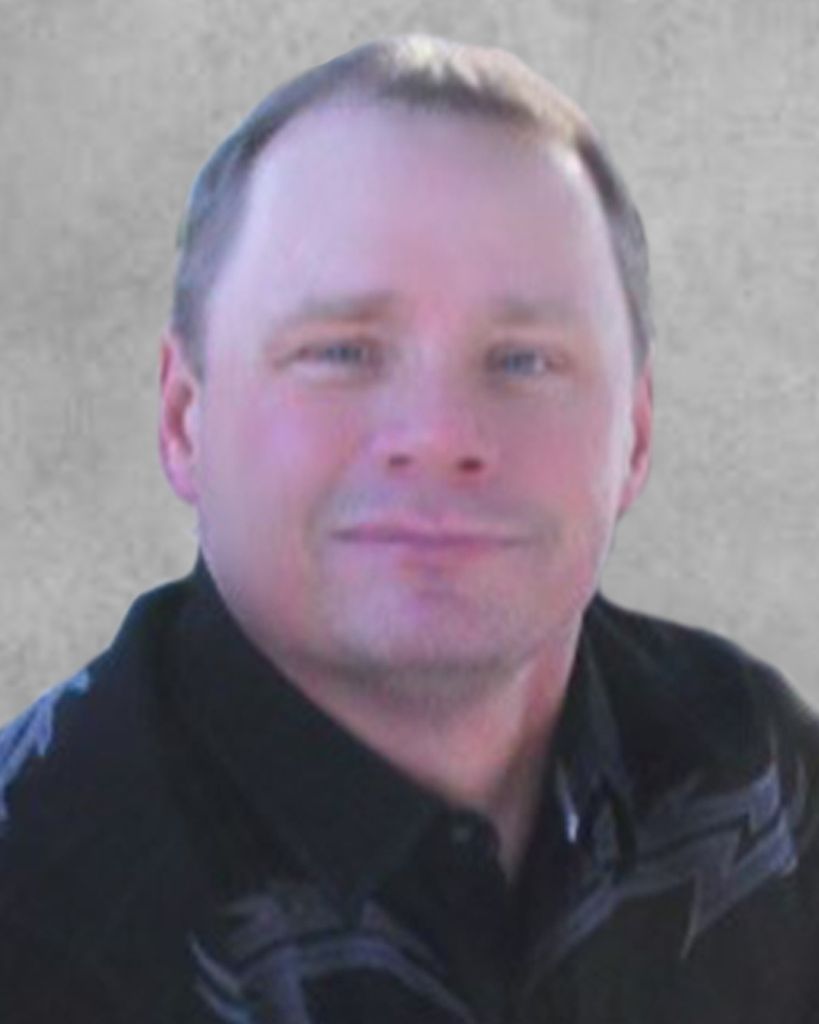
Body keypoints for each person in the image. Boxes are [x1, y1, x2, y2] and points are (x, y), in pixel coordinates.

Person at [1, 33, 817, 1023]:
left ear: (635, 436)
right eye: (341, 351)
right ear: (184, 419)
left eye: (523, 360)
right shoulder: (31, 904)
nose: (438, 436)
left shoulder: (757, 766)